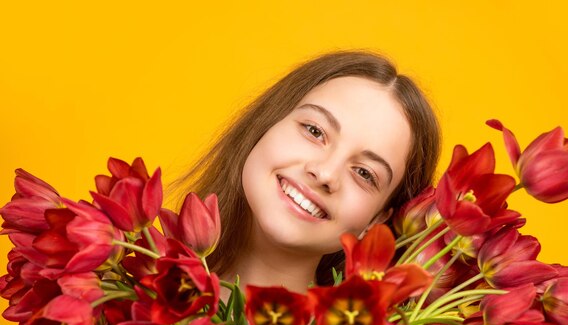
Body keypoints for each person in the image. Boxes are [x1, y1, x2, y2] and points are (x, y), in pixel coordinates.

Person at [175, 50, 441, 295]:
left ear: (377, 220)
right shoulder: (141, 293)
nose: (325, 173)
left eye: (364, 173)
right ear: (266, 124)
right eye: (314, 131)